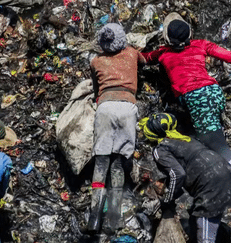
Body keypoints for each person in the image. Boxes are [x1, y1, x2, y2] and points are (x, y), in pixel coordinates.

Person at [141, 12, 231, 178]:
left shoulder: (163, 53)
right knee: (211, 131)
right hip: (214, 92)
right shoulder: (200, 44)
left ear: (168, 39)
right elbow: (229, 56)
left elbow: (145, 58)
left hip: (197, 98)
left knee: (217, 144)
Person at [139, 113, 231, 243]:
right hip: (228, 172)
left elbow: (177, 174)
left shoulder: (160, 149)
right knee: (197, 219)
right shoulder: (185, 139)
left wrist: (167, 200)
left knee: (206, 237)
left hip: (211, 184)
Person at [88, 23, 146, 234]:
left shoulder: (95, 61)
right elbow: (146, 61)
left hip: (104, 107)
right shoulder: (131, 53)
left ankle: (94, 219)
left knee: (101, 161)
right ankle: (114, 217)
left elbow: (96, 89)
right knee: (119, 163)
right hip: (127, 107)